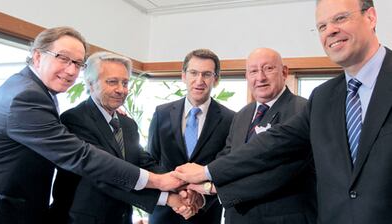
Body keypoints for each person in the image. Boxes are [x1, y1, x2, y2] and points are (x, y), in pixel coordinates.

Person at [174, 0, 392, 223]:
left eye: (340, 18)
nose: (331, 30)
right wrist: (206, 173)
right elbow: (272, 144)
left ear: (371, 17)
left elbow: (282, 170)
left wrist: (210, 184)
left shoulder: (302, 105)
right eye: (322, 26)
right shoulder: (324, 97)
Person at [0, 27, 183, 224]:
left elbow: (139, 158)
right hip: (3, 211)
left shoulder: (33, 90)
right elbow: (82, 157)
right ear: (38, 56)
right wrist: (159, 184)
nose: (71, 70)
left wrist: (178, 183)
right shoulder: (27, 97)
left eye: (77, 63)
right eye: (63, 58)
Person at [49, 51, 202, 224]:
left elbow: (144, 162)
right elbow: (104, 176)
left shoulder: (127, 124)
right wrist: (166, 198)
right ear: (91, 84)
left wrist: (182, 186)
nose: (121, 90)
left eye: (125, 82)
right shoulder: (74, 119)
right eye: (112, 82)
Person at [188, 48, 317, 224]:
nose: (260, 77)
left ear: (284, 72)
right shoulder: (242, 115)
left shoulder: (302, 111)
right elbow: (228, 158)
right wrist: (199, 194)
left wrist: (210, 187)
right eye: (253, 71)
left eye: (268, 69)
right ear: (246, 76)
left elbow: (281, 172)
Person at [147, 49, 235, 224]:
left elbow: (225, 168)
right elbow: (151, 161)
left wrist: (199, 199)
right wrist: (175, 196)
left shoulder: (231, 119)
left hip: (205, 214)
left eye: (207, 74)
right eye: (193, 73)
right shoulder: (162, 113)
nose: (199, 81)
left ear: (216, 79)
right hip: (164, 213)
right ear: (183, 76)